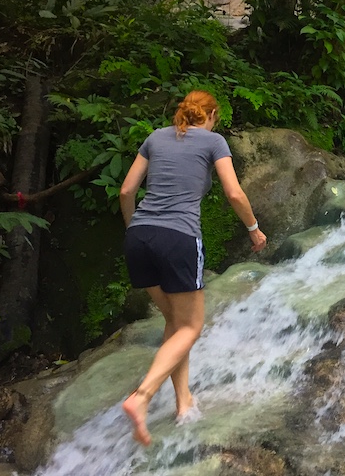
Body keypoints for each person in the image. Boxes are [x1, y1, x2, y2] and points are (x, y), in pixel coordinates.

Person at [119, 90, 267, 446]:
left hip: (139, 236)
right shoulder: (214, 141)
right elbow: (234, 193)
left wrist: (134, 230)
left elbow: (126, 191)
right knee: (192, 326)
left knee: (174, 322)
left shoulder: (155, 137)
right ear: (212, 114)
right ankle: (142, 397)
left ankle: (183, 401)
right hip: (179, 238)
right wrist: (253, 229)